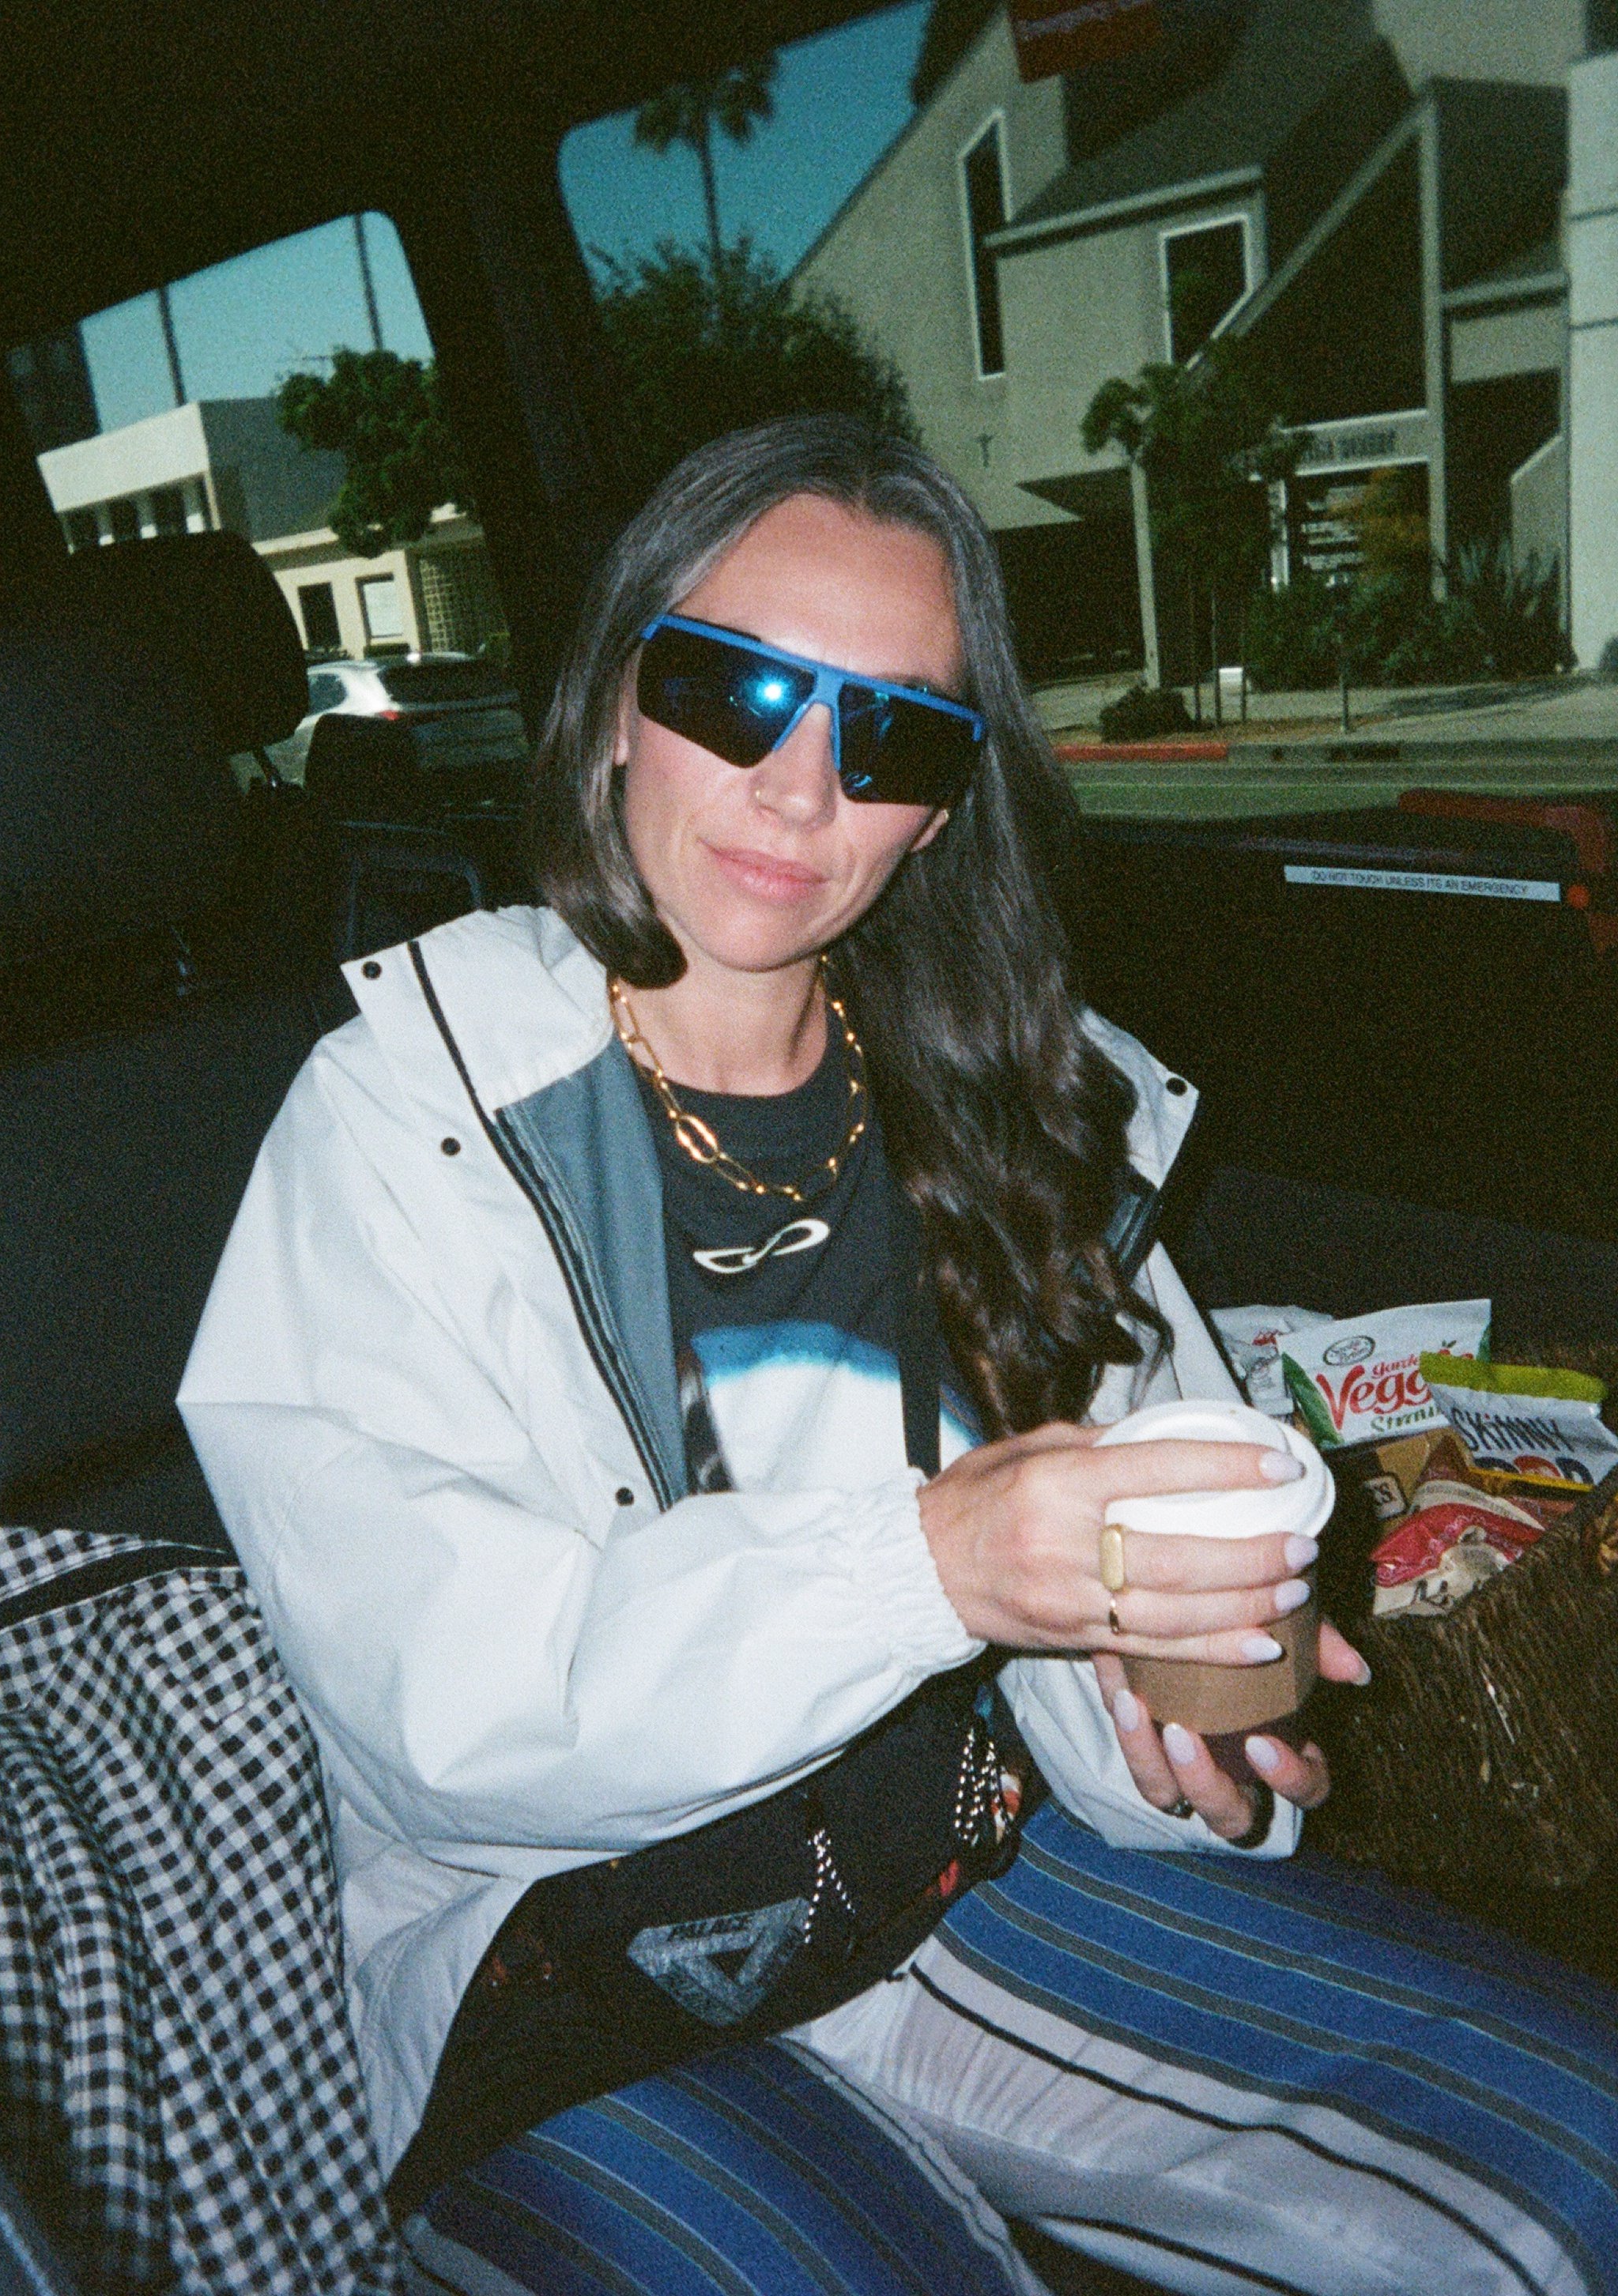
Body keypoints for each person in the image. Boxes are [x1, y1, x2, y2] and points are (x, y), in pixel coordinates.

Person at [179, 417, 1618, 2296]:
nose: (799, 788)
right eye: (732, 691)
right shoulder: (407, 1111)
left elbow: (1134, 1558)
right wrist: (937, 1563)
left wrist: (1166, 1712)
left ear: (939, 807)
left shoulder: (1031, 1105)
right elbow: (446, 1707)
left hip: (956, 1857)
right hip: (563, 1964)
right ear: (614, 705)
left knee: (1578, 2162)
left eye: (892, 737)